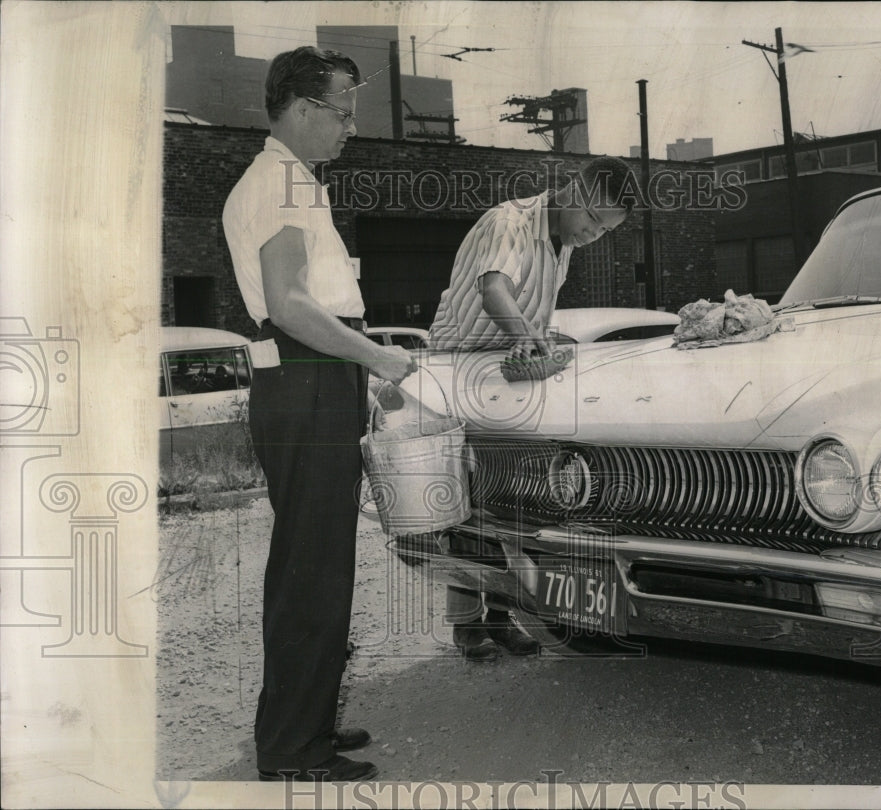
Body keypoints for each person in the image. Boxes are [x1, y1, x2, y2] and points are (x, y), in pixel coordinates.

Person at [222, 46, 417, 782]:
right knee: (312, 568)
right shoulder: (281, 183)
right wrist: (376, 359)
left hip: (312, 382)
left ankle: (303, 725)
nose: (349, 130)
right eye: (342, 113)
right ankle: (292, 749)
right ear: (302, 109)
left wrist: (354, 373)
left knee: (319, 563)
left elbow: (310, 307)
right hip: (304, 383)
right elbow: (291, 303)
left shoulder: (292, 181)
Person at [427, 156, 635, 661]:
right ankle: (466, 625)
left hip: (507, 375)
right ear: (573, 190)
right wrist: (527, 338)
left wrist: (538, 339)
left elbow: (531, 308)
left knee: (514, 499)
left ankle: (502, 618)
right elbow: (492, 287)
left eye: (605, 231)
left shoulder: (561, 243)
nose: (593, 235)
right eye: (592, 220)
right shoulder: (511, 222)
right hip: (461, 371)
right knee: (468, 503)